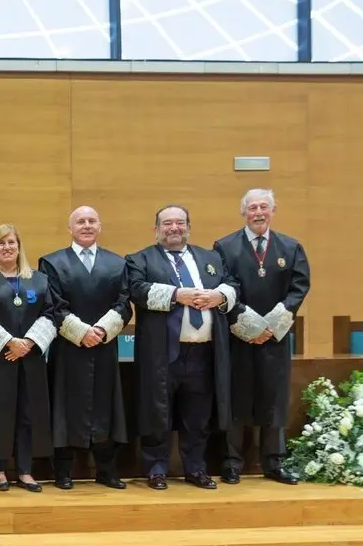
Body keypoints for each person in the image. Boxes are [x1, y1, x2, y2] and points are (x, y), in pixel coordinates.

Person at [126, 205, 236, 490]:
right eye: (167, 223)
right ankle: (156, 469)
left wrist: (218, 295)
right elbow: (137, 291)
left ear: (189, 226)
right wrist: (177, 295)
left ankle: (196, 469)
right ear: (156, 229)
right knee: (157, 412)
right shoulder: (140, 259)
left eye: (179, 223)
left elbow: (233, 284)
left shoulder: (211, 258)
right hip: (162, 353)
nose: (174, 228)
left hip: (203, 352)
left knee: (197, 415)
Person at [213, 189, 310, 485]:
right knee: (236, 397)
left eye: (263, 206)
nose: (258, 212)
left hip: (275, 337)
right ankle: (231, 462)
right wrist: (250, 324)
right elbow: (221, 287)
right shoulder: (224, 247)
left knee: (274, 397)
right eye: (252, 207)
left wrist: (273, 322)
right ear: (243, 212)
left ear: (273, 210)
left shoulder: (291, 247)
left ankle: (274, 463)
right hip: (239, 337)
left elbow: (300, 286)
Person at [39, 206, 131, 490]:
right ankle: (63, 471)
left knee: (106, 405)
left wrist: (101, 331)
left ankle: (105, 469)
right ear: (70, 228)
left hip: (104, 346)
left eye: (92, 221)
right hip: (68, 349)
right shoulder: (52, 263)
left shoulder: (118, 263)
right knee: (65, 405)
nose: (87, 225)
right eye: (81, 221)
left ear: (100, 226)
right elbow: (52, 305)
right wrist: (80, 332)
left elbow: (123, 303)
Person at [0, 223, 56, 493]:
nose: (7, 248)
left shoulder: (39, 280)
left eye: (11, 242)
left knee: (28, 413)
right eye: (1, 243)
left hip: (30, 358)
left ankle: (25, 469)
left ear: (20, 246)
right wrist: (9, 342)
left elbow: (52, 313)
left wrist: (28, 343)